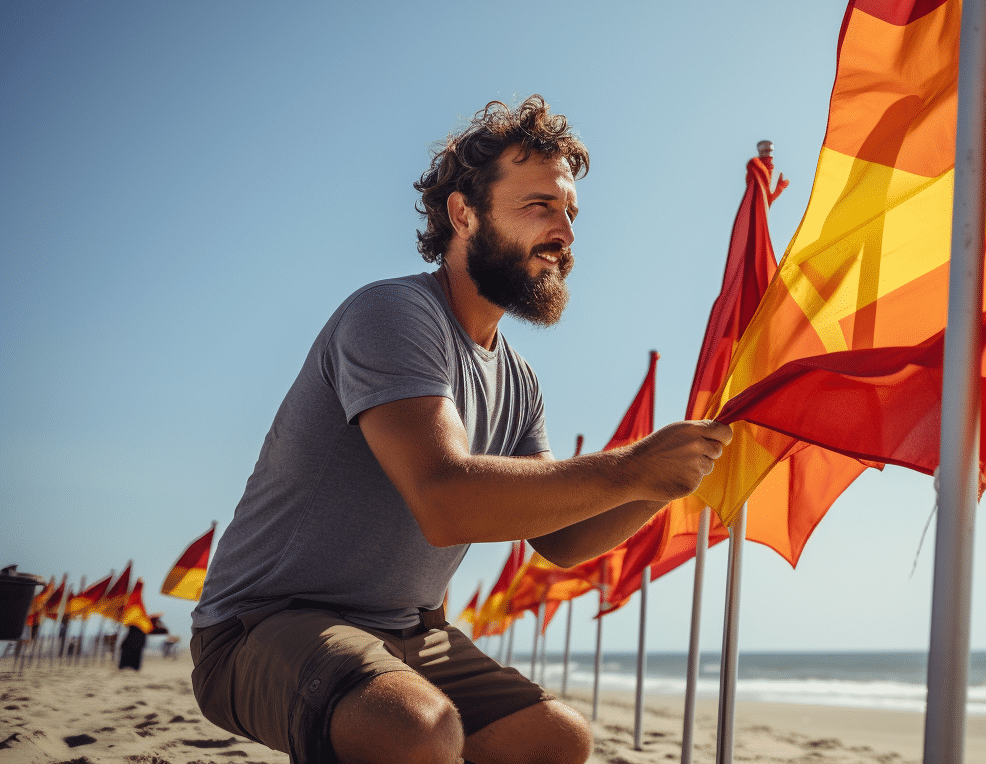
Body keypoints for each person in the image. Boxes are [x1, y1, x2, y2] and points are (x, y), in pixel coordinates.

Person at [189, 95, 732, 764]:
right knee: (418, 730)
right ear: (462, 213)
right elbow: (445, 501)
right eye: (540, 207)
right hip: (263, 624)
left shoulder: (520, 378)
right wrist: (627, 468)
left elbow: (561, 540)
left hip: (408, 629)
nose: (564, 231)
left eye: (570, 213)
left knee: (556, 740)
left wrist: (669, 481)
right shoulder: (393, 314)